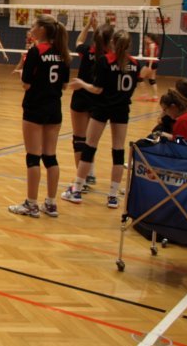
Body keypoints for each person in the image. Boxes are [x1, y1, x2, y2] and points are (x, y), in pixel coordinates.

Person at [63, 29, 150, 208]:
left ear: (112, 43)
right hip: (122, 110)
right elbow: (137, 82)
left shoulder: (105, 61)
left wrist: (81, 84)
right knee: (118, 151)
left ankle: (76, 190)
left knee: (89, 147)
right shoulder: (135, 63)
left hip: (102, 108)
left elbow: (97, 89)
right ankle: (112, 196)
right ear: (129, 45)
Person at [8, 15, 70, 218]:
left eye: (34, 25)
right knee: (50, 156)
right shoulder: (62, 53)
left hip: (35, 108)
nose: (31, 27)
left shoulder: (35, 52)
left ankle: (31, 204)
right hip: (54, 109)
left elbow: (26, 85)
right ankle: (51, 204)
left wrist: (23, 76)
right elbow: (64, 85)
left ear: (42, 29)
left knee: (33, 157)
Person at [70, 15, 108, 190]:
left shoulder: (87, 51)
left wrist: (87, 26)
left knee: (79, 139)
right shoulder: (109, 57)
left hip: (81, 96)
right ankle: (90, 174)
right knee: (91, 140)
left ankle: (82, 181)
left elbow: (78, 41)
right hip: (99, 98)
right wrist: (97, 28)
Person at [140, 33, 160, 100]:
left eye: (145, 38)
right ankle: (155, 96)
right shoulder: (153, 44)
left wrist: (149, 67)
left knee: (139, 78)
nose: (144, 39)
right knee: (152, 80)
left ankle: (145, 94)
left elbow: (151, 56)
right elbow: (146, 54)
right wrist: (146, 45)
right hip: (154, 63)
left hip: (150, 63)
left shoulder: (152, 45)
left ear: (149, 38)